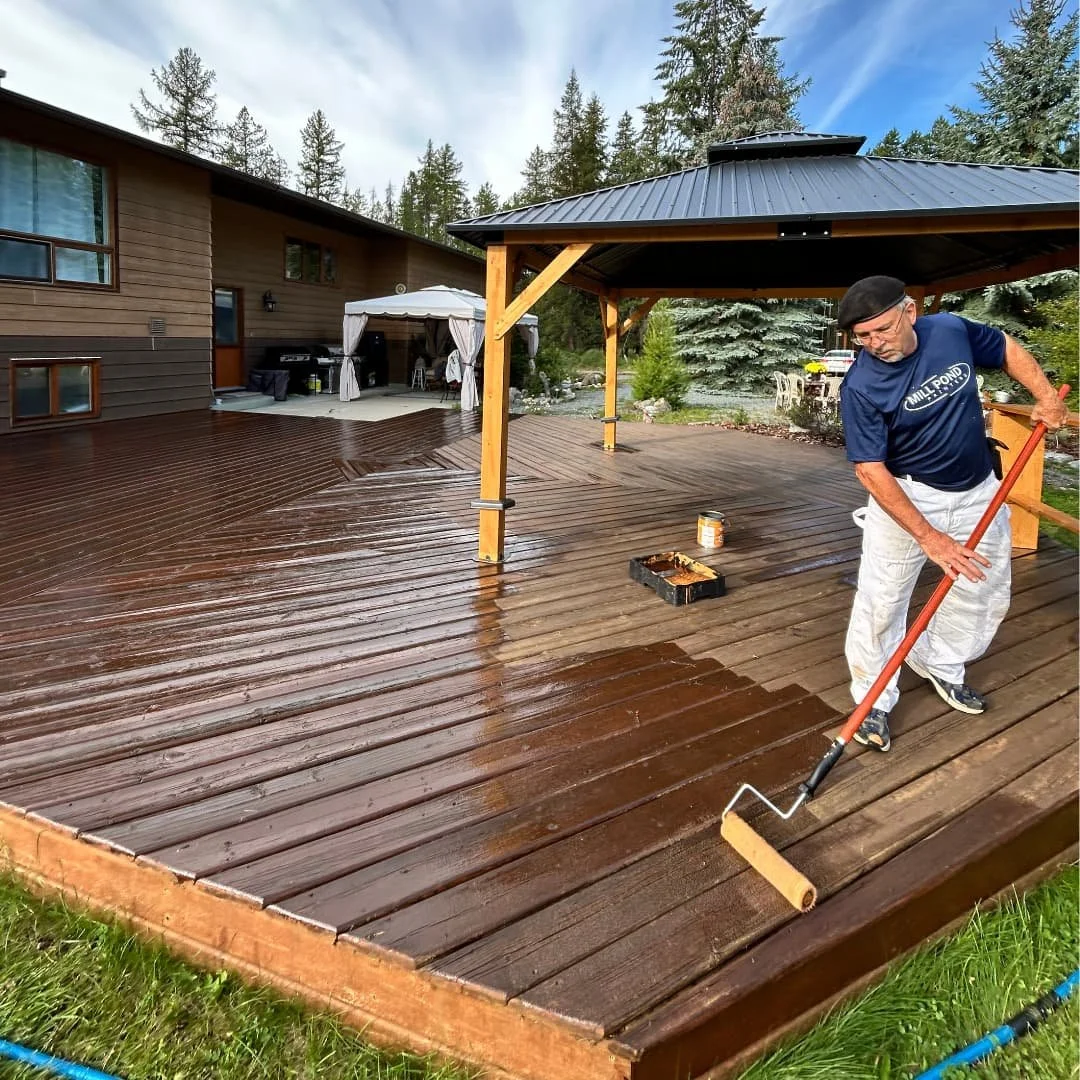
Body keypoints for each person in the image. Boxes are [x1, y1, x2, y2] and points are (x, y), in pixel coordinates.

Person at [836, 275, 1067, 753]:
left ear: (910, 312)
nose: (875, 344)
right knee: (883, 602)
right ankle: (873, 698)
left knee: (982, 588)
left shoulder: (950, 330)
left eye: (882, 329)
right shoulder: (861, 385)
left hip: (979, 487)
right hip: (907, 497)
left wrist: (1044, 398)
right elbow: (869, 469)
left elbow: (1005, 348)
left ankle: (941, 663)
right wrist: (928, 537)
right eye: (863, 337)